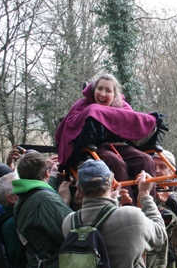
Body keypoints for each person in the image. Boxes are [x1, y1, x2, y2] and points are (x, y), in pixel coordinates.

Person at [54, 73, 162, 202]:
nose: (102, 94)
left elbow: (133, 123)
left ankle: (149, 203)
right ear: (94, 90)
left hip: (119, 146)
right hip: (93, 148)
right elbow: (71, 126)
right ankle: (127, 205)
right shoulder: (83, 105)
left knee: (145, 160)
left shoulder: (123, 107)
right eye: (99, 89)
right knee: (114, 161)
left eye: (108, 90)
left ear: (114, 96)